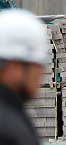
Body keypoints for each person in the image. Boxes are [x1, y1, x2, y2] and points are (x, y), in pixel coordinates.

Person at [0, 9, 47, 145]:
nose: (41, 74)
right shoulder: (7, 128)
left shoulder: (11, 112)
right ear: (13, 67)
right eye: (38, 66)